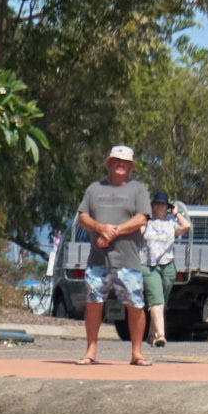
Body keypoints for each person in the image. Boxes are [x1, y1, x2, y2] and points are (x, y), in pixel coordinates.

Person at [71, 146, 152, 366]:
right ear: (108, 163)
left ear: (131, 166)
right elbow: (83, 218)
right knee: (93, 303)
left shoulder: (138, 190)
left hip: (128, 261)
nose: (120, 164)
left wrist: (112, 232)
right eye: (116, 160)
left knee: (135, 305)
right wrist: (100, 228)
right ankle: (90, 351)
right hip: (98, 261)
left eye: (124, 161)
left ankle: (137, 353)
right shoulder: (94, 189)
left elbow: (141, 218)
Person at [139, 196, 182, 347]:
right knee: (156, 300)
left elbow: (187, 226)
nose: (159, 207)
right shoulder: (146, 223)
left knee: (160, 302)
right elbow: (135, 231)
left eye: (163, 204)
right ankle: (161, 335)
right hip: (150, 265)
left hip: (167, 266)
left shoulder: (171, 223)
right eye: (157, 204)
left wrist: (177, 213)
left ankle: (151, 335)